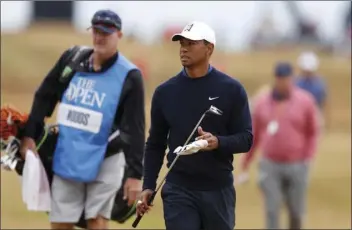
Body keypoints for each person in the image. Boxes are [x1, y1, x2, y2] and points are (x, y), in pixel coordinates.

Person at [19, 9, 145, 230]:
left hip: (108, 157)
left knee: (96, 220)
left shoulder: (130, 76)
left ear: (119, 35)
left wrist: (135, 175)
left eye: (106, 32)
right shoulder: (72, 59)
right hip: (68, 155)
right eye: (96, 31)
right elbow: (44, 96)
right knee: (60, 222)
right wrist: (29, 134)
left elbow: (135, 128)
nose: (100, 37)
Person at [136, 21, 253, 230]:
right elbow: (155, 143)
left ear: (209, 48)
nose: (184, 49)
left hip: (218, 190)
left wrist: (217, 142)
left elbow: (246, 139)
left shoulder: (232, 90)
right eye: (182, 43)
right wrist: (148, 185)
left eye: (191, 43)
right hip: (178, 190)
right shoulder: (165, 93)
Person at [238, 62, 320, 229]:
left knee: (296, 211)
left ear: (292, 79)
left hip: (297, 164)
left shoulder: (305, 102)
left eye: (287, 78)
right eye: (280, 78)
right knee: (272, 210)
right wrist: (246, 162)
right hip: (270, 165)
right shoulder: (262, 103)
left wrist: (308, 157)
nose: (283, 82)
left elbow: (313, 132)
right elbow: (254, 135)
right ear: (275, 79)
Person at [295, 51, 328, 129]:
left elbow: (324, 101)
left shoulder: (320, 83)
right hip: (301, 114)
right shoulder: (297, 83)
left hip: (313, 114)